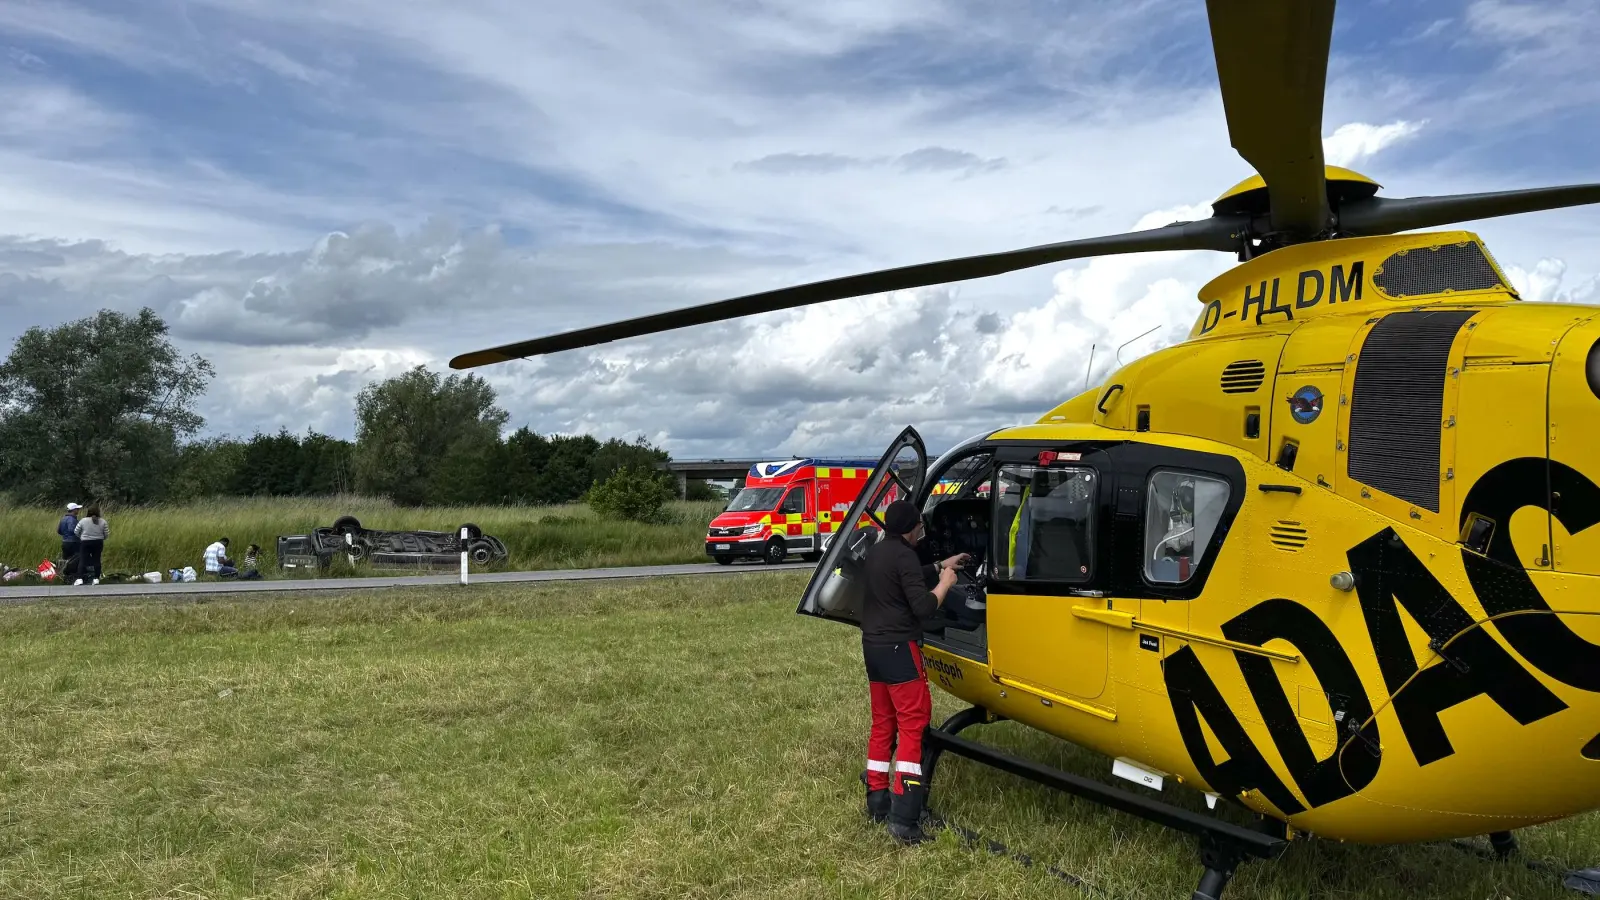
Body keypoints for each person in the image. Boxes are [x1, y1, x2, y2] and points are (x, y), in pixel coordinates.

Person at [860, 499, 969, 844]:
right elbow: (922, 606)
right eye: (920, 526)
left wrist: (939, 564)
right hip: (899, 650)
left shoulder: (878, 552)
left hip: (873, 649)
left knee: (883, 723)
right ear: (910, 527)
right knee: (912, 724)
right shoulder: (905, 554)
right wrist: (947, 581)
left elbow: (904, 575)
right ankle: (905, 817)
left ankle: (878, 800)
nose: (922, 530)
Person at [73, 505, 108, 585]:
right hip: (98, 542)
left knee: (83, 560)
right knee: (97, 560)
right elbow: (106, 534)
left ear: (88, 512)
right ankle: (96, 579)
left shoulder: (83, 521)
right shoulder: (103, 521)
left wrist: (82, 537)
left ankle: (80, 579)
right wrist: (102, 538)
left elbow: (76, 531)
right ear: (98, 512)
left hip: (85, 542)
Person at [57, 502, 82, 582]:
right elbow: (73, 530)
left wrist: (66, 535)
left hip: (65, 542)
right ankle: (74, 576)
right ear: (73, 510)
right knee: (77, 559)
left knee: (66, 560)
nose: (78, 510)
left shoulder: (63, 519)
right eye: (77, 509)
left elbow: (59, 531)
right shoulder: (72, 519)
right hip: (74, 542)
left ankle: (65, 577)